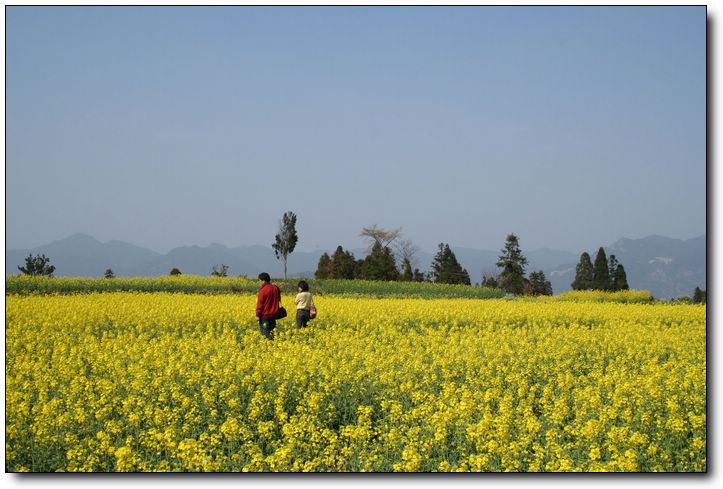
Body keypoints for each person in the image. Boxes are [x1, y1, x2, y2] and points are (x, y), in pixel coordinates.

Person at [256, 272, 281, 339]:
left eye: (260, 281)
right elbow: (278, 300)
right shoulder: (276, 288)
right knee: (273, 333)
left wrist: (257, 315)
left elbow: (260, 305)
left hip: (265, 316)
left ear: (263, 281)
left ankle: (268, 345)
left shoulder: (263, 290)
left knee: (265, 334)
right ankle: (273, 347)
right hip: (274, 316)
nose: (259, 283)